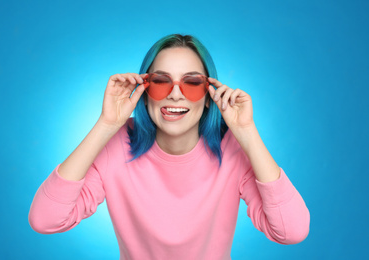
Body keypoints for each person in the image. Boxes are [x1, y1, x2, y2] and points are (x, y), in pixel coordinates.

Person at [29, 34, 310, 259]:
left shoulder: (232, 149)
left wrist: (247, 134)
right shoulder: (116, 145)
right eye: (161, 81)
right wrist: (106, 124)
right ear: (144, 91)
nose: (175, 94)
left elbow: (291, 231)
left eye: (192, 83)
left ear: (210, 96)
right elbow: (46, 220)